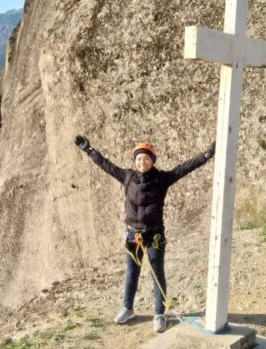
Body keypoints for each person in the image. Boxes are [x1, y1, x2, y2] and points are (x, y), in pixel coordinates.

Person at [74, 135, 215, 332]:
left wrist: (207, 154)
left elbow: (185, 168)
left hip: (155, 235)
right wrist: (89, 150)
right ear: (135, 162)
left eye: (146, 158)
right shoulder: (128, 176)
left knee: (157, 273)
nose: (142, 162)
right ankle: (128, 308)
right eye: (139, 159)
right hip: (133, 235)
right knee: (132, 272)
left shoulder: (161, 179)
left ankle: (159, 314)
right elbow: (105, 165)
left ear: (152, 160)